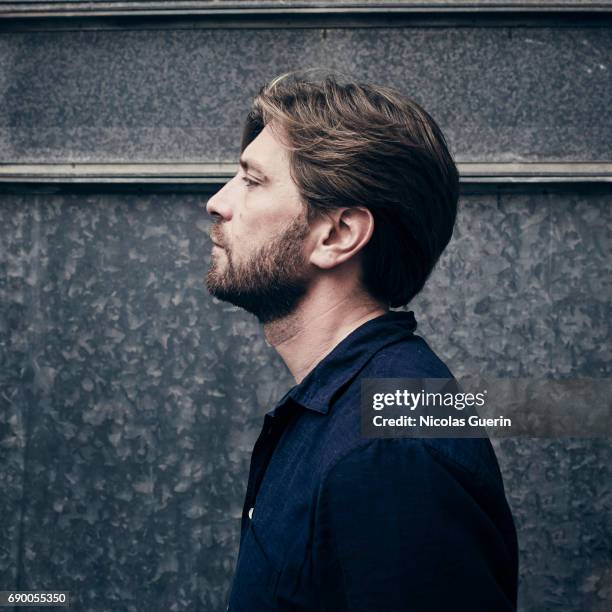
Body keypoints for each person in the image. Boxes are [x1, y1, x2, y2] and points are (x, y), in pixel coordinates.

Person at [205, 70, 518, 611]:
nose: (217, 202)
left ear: (338, 235)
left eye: (252, 181)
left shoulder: (392, 454)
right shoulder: (346, 414)